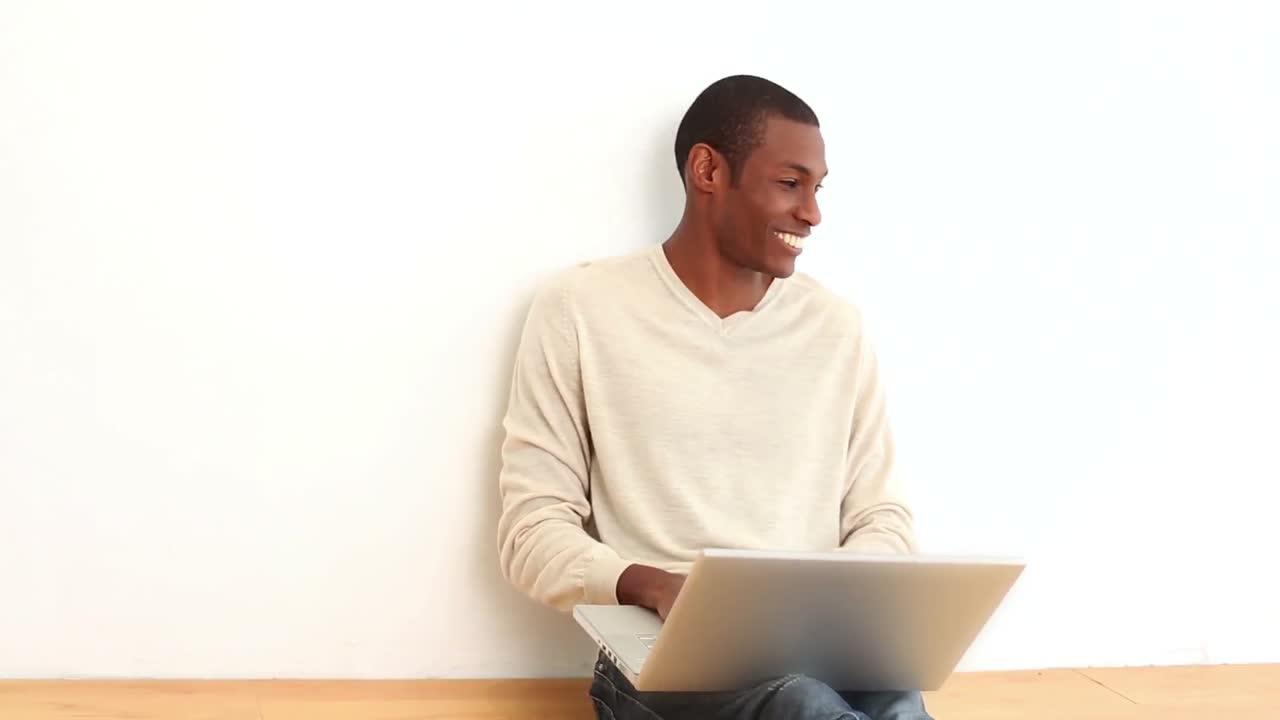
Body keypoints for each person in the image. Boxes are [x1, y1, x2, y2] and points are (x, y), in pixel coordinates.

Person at [496, 74, 933, 720]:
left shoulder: (835, 328)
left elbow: (884, 520)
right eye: (790, 184)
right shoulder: (581, 309)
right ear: (707, 170)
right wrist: (654, 586)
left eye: (817, 189)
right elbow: (530, 531)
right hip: (659, 664)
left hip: (811, 649)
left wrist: (824, 606)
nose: (813, 213)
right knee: (805, 706)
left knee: (895, 698)